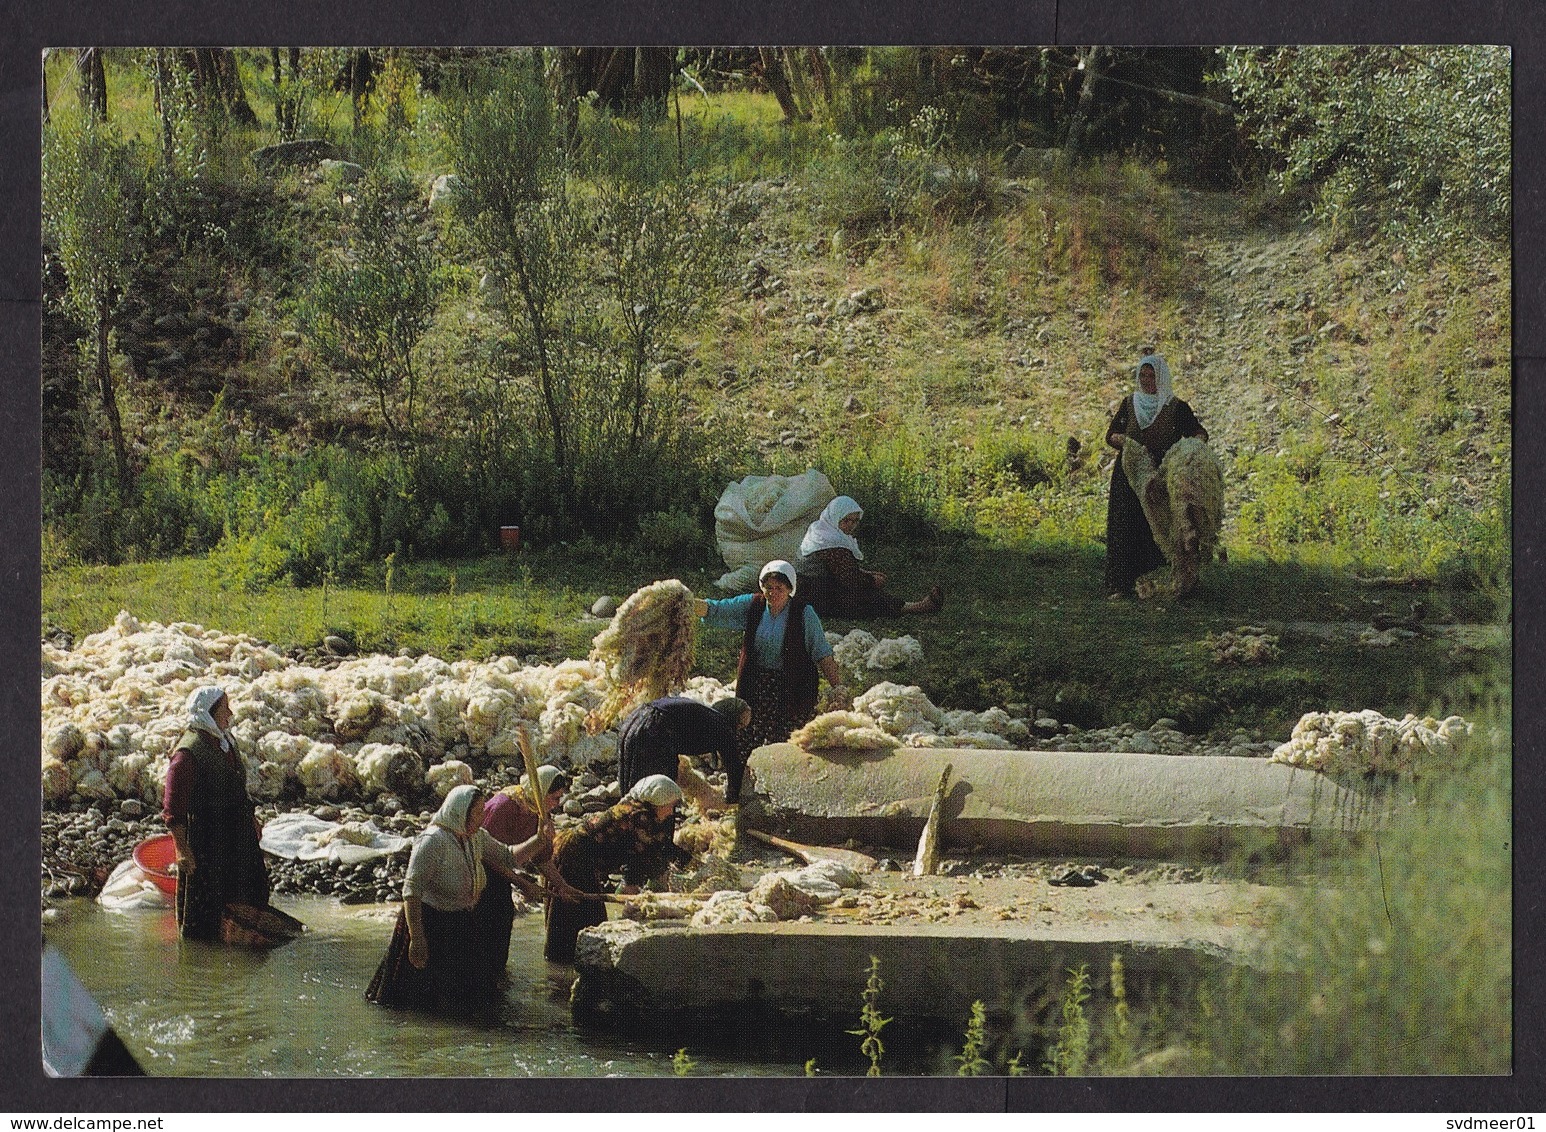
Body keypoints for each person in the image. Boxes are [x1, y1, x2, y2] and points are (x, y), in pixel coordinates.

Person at [366, 785, 552, 1010]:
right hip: (429, 922)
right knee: (419, 998)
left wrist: (539, 840)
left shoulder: (475, 837)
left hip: (460, 920)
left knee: (467, 995)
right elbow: (411, 892)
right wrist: (417, 938)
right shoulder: (432, 841)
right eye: (478, 813)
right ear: (460, 812)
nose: (483, 817)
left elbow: (508, 856)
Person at [695, 560, 849, 782]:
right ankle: (743, 778)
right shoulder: (754, 606)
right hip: (757, 683)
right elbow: (716, 609)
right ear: (762, 587)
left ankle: (784, 778)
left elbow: (821, 652)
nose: (773, 592)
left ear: (790, 589)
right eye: (768, 587)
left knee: (787, 739)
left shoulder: (804, 613)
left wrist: (838, 687)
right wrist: (682, 601)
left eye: (780, 588)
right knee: (747, 731)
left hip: (792, 686)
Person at [161, 686, 271, 942]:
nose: (230, 714)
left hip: (235, 833)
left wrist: (251, 819)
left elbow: (235, 785)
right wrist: (181, 849)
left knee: (246, 891)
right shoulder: (188, 753)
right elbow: (173, 806)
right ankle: (204, 952)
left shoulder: (224, 742)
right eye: (225, 709)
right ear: (208, 713)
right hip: (208, 839)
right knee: (206, 904)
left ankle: (240, 936)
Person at [544, 774, 689, 964]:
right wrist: (633, 895)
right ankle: (564, 968)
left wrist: (691, 862)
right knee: (579, 914)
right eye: (670, 806)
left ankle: (565, 963)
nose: (671, 812)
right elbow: (639, 858)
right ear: (658, 801)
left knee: (583, 914)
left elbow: (659, 847)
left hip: (579, 856)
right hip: (575, 858)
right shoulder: (638, 816)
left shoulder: (639, 810)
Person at [1103, 353, 1209, 598]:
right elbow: (1111, 435)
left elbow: (1198, 432)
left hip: (1160, 477)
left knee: (1159, 526)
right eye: (1143, 375)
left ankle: (1159, 580)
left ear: (1161, 377)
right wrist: (1126, 443)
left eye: (1152, 375)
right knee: (1125, 525)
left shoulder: (1175, 407)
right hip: (1129, 476)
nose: (1147, 380)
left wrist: (1191, 451)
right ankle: (1121, 584)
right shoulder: (1130, 403)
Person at [476, 766, 577, 987]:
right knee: (483, 927)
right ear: (539, 792)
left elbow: (541, 858)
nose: (557, 803)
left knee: (502, 922)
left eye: (560, 798)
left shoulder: (539, 811)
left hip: (504, 872)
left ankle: (496, 976)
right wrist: (523, 883)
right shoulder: (504, 807)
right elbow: (487, 856)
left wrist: (562, 886)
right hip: (479, 875)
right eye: (554, 797)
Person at [796, 496, 943, 618]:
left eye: (855, 521)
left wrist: (865, 573)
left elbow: (837, 569)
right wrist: (872, 581)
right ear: (835, 517)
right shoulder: (830, 541)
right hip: (814, 596)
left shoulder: (822, 531)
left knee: (862, 590)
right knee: (865, 597)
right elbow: (848, 579)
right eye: (846, 520)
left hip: (814, 588)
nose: (851, 525)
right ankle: (913, 608)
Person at [617, 695, 751, 805]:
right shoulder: (722, 726)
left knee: (635, 782)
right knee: (657, 788)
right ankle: (648, 828)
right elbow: (733, 766)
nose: (739, 729)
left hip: (636, 719)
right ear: (732, 716)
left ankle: (627, 822)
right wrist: (734, 800)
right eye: (740, 724)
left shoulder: (707, 716)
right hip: (655, 727)